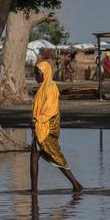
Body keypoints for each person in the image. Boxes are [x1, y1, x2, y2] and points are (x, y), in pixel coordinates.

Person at [30, 60, 83, 192]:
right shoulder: (42, 88)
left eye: (38, 74)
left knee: (56, 157)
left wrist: (37, 119)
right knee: (34, 158)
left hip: (47, 129)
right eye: (35, 74)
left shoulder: (51, 88)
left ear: (46, 74)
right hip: (39, 128)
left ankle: (76, 185)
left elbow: (51, 110)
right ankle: (34, 190)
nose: (36, 77)